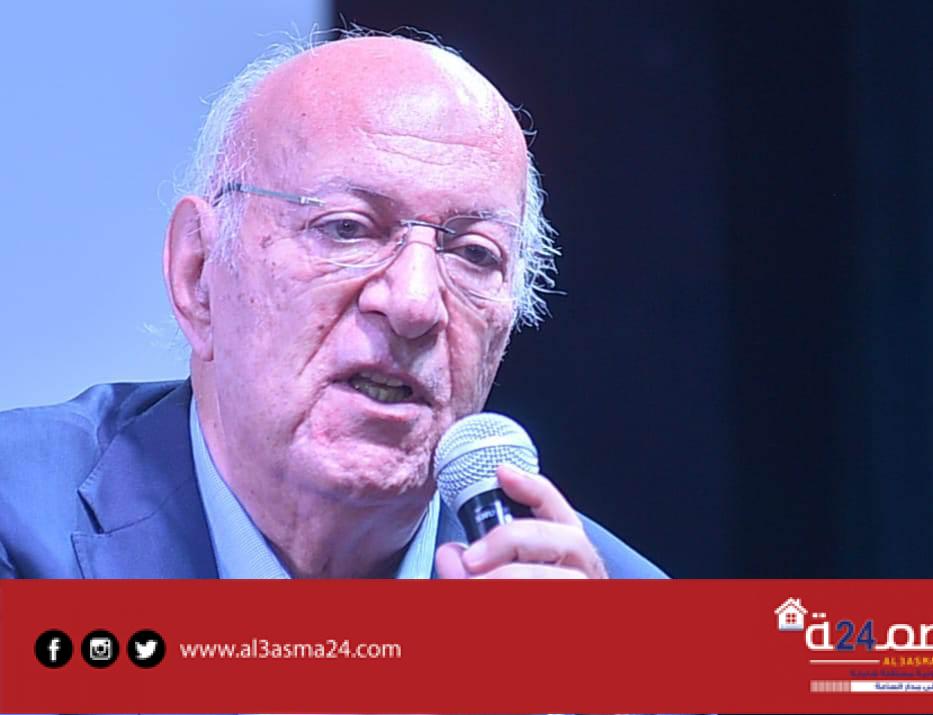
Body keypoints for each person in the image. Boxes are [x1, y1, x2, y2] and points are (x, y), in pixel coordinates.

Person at [0, 31, 664, 580]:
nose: (414, 303)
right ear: (198, 274)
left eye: (473, 253)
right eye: (347, 228)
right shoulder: (19, 526)